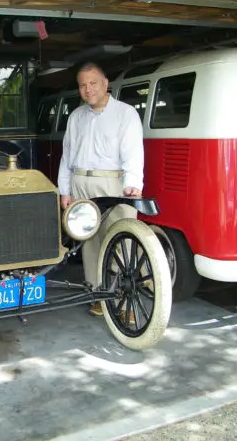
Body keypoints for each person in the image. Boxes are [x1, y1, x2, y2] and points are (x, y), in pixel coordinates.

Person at [57, 62, 144, 317]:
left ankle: (126, 301)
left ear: (106, 84)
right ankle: (97, 297)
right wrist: (65, 191)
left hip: (114, 184)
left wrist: (133, 185)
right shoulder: (75, 116)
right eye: (83, 85)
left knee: (122, 242)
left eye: (93, 83)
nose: (88, 89)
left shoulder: (126, 114)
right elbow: (67, 157)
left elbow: (133, 152)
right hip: (80, 183)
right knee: (90, 244)